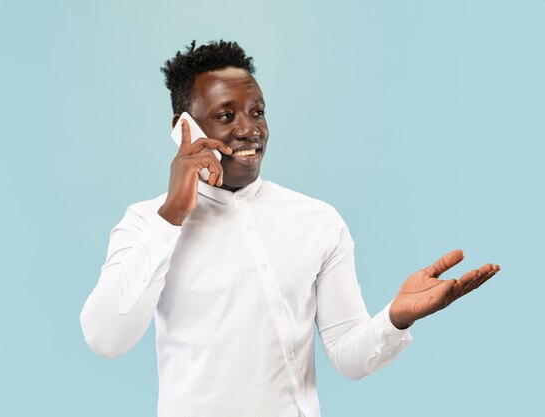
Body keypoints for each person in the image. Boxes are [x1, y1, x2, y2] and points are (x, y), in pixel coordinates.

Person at [79, 40, 500, 417]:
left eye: (257, 111)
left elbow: (349, 357)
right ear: (183, 128)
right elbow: (105, 339)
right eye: (226, 115)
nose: (250, 129)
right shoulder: (146, 223)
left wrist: (395, 319)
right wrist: (172, 213)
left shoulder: (317, 221)